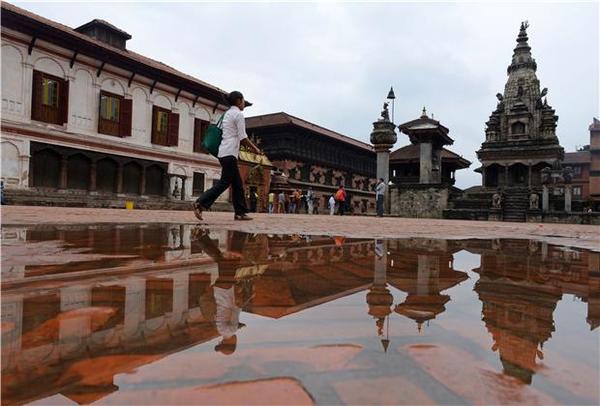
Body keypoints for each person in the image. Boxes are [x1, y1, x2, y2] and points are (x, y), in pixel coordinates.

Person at [193, 91, 260, 221]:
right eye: (243, 101)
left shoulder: (227, 114)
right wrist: (255, 149)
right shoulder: (239, 115)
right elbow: (243, 137)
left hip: (224, 152)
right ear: (239, 101)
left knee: (237, 184)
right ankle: (201, 203)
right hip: (229, 153)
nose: (243, 104)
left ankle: (239, 212)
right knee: (224, 183)